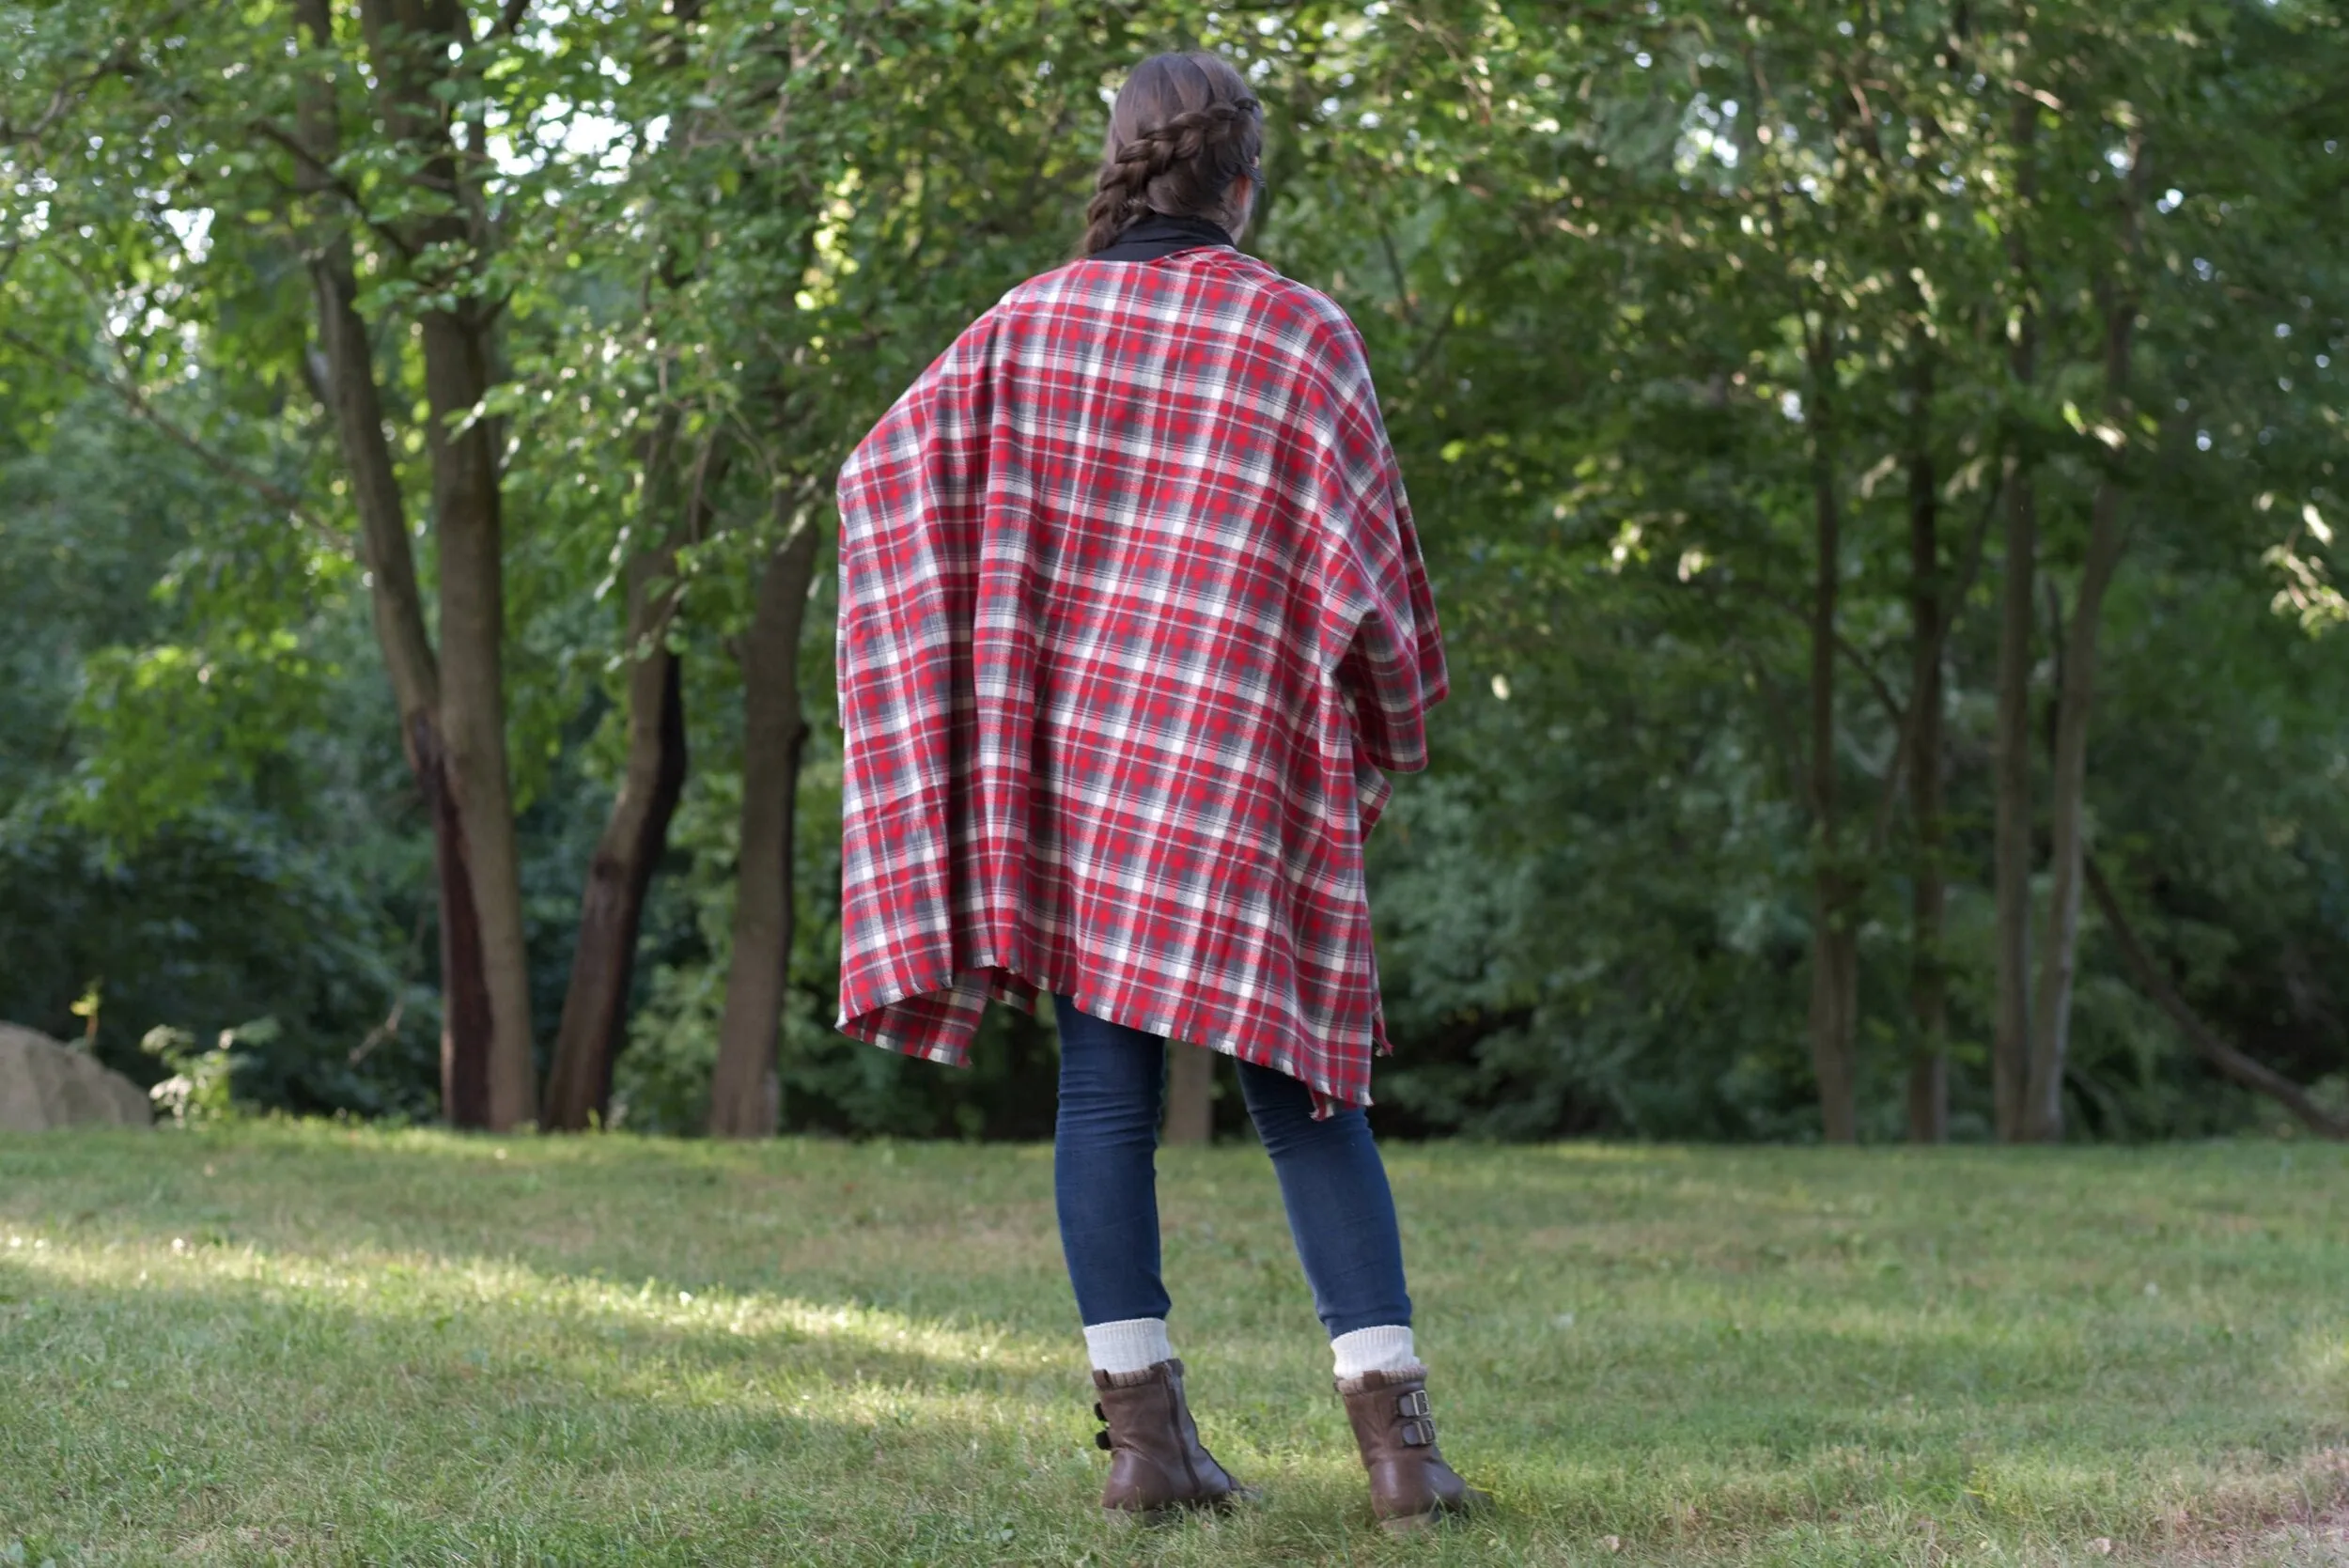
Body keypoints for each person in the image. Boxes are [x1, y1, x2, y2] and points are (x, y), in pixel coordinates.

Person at [832, 49, 1487, 1533]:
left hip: (1082, 775)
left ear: (1123, 164)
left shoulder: (1024, 331)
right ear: (1244, 181)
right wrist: (1379, 704)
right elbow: (1370, 578)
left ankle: (1144, 1442)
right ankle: (1398, 1456)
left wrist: (983, 670)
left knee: (1101, 1092)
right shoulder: (1297, 331)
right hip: (1244, 761)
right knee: (1307, 1083)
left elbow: (879, 483)